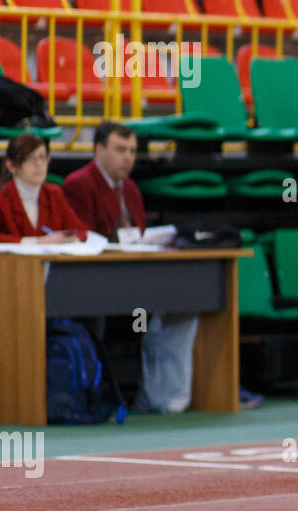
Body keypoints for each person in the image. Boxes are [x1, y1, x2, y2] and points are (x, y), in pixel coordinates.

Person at [62, 122, 201, 414]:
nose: (128, 158)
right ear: (98, 150)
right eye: (120, 150)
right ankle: (95, 396)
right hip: (93, 280)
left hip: (135, 276)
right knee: (94, 312)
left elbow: (139, 232)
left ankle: (163, 396)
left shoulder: (132, 189)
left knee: (182, 304)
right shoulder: (79, 184)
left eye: (133, 151)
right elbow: (82, 237)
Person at [0, 133, 86, 248]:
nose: (39, 164)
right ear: (11, 165)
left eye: (42, 157)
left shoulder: (54, 193)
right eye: (30, 158)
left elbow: (80, 232)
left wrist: (67, 238)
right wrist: (37, 242)